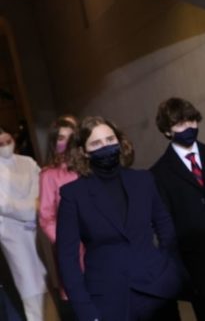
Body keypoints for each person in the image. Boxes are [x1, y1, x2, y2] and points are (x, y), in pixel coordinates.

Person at [57, 116, 185, 321]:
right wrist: (85, 311)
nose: (105, 146)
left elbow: (165, 227)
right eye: (96, 143)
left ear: (119, 141)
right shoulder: (73, 195)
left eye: (110, 140)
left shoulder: (143, 180)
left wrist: (168, 269)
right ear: (83, 151)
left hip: (157, 289)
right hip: (110, 300)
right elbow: (67, 259)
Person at [150, 98, 205, 320]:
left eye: (192, 120)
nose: (189, 128)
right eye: (180, 124)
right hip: (197, 267)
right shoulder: (158, 174)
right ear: (167, 130)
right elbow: (165, 226)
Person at [0, 126, 47, 320]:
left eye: (8, 142)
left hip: (39, 226)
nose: (5, 146)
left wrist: (35, 206)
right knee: (28, 283)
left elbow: (40, 188)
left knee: (47, 279)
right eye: (0, 144)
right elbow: (3, 204)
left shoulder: (27, 161)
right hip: (11, 232)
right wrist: (31, 208)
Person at [38, 115, 81, 321]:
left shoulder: (87, 168)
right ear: (54, 142)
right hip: (71, 247)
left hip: (99, 243)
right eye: (61, 138)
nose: (67, 143)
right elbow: (46, 217)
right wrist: (65, 241)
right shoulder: (48, 175)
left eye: (71, 138)